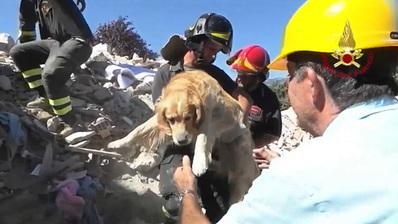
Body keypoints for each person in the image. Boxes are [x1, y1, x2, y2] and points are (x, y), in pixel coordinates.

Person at [174, 0, 398, 223]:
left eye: (290, 75)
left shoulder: (298, 178)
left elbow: (298, 169)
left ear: (311, 83)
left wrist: (188, 191)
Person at [152, 13, 251, 223]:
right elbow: (161, 118)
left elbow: (243, 98)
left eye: (217, 51)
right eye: (211, 48)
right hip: (177, 146)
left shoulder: (214, 75)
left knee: (221, 210)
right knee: (175, 203)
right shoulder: (166, 74)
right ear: (197, 39)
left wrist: (237, 120)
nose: (213, 55)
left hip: (212, 149)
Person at [10, 0, 93, 136]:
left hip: (77, 40)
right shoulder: (32, 3)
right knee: (17, 52)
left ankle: (70, 121)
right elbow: (26, 26)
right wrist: (31, 50)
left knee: (50, 75)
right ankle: (44, 96)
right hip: (53, 43)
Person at [227, 45, 282, 169]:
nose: (240, 78)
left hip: (249, 160)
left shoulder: (268, 98)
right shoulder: (227, 90)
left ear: (260, 77)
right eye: (238, 72)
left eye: (246, 75)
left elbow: (273, 133)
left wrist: (249, 146)